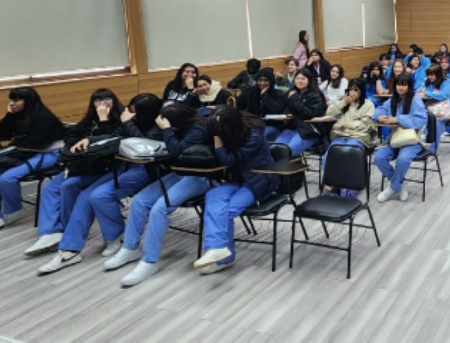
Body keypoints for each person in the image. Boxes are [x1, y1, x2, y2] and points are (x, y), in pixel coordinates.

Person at [37, 93, 164, 273]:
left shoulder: (159, 124)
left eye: (134, 112)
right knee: (85, 195)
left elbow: (145, 143)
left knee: (98, 195)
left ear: (145, 113)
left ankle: (113, 237)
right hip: (122, 167)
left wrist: (127, 122)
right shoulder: (131, 121)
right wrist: (89, 139)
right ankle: (70, 249)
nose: (129, 114)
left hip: (146, 170)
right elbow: (114, 137)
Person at [104, 103, 211, 286]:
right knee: (139, 201)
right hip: (179, 172)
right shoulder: (177, 126)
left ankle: (149, 261)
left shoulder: (198, 129)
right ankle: (129, 248)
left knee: (159, 209)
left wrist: (167, 130)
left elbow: (177, 151)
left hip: (201, 176)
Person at [28, 89, 123, 261]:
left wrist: (103, 121)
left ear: (114, 101)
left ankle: (69, 230)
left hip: (105, 168)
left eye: (107, 99)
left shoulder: (120, 119)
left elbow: (110, 142)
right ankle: (51, 232)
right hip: (82, 165)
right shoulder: (88, 119)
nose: (102, 104)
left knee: (70, 186)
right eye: (97, 100)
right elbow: (71, 134)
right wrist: (78, 142)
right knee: (50, 188)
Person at [192, 106, 278, 273]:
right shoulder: (230, 129)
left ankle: (225, 257)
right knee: (213, 196)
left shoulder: (254, 134)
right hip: (237, 179)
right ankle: (216, 249)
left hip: (260, 179)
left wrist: (218, 145)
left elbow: (228, 160)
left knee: (228, 210)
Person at [0, 88, 64, 235]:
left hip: (47, 153)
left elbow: (35, 143)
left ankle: (14, 210)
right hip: (24, 153)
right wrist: (9, 115)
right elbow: (1, 134)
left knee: (7, 178)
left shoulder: (43, 117)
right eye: (11, 100)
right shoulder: (19, 115)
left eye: (16, 100)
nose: (12, 103)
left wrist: (14, 149)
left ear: (28, 101)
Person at [373, 74, 428, 202]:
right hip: (395, 138)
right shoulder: (393, 99)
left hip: (411, 140)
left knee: (403, 160)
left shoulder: (415, 100)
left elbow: (420, 120)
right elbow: (379, 110)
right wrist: (379, 116)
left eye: (404, 84)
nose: (401, 88)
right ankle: (399, 185)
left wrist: (398, 119)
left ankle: (392, 188)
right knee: (379, 158)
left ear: (409, 86)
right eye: (398, 84)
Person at [323, 79, 377, 196]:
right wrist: (343, 102)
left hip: (358, 136)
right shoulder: (343, 102)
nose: (352, 93)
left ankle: (338, 187)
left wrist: (350, 125)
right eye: (350, 89)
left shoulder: (368, 104)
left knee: (347, 154)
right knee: (329, 154)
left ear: (361, 91)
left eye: (356, 90)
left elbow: (367, 122)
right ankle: (333, 184)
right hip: (340, 135)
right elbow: (328, 113)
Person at [275, 68, 327, 158]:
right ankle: (294, 170)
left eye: (303, 79)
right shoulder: (291, 92)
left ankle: (293, 170)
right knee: (275, 149)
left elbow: (308, 114)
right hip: (292, 127)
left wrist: (294, 98)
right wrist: (286, 116)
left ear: (309, 80)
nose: (299, 81)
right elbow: (283, 107)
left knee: (287, 151)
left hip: (309, 130)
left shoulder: (315, 95)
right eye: (297, 78)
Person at [236, 67, 287, 142]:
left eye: (265, 80)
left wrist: (264, 96)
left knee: (256, 137)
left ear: (271, 82)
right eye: (260, 80)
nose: (262, 83)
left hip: (272, 125)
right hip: (252, 124)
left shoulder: (278, 94)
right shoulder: (250, 92)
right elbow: (238, 105)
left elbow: (277, 109)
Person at [419, 64, 450, 152]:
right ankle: (418, 147)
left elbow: (443, 95)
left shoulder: (446, 82)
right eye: (428, 75)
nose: (429, 77)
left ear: (438, 74)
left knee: (436, 124)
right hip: (429, 110)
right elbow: (419, 91)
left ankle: (432, 151)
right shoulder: (427, 82)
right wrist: (422, 91)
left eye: (432, 75)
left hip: (443, 112)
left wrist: (427, 93)